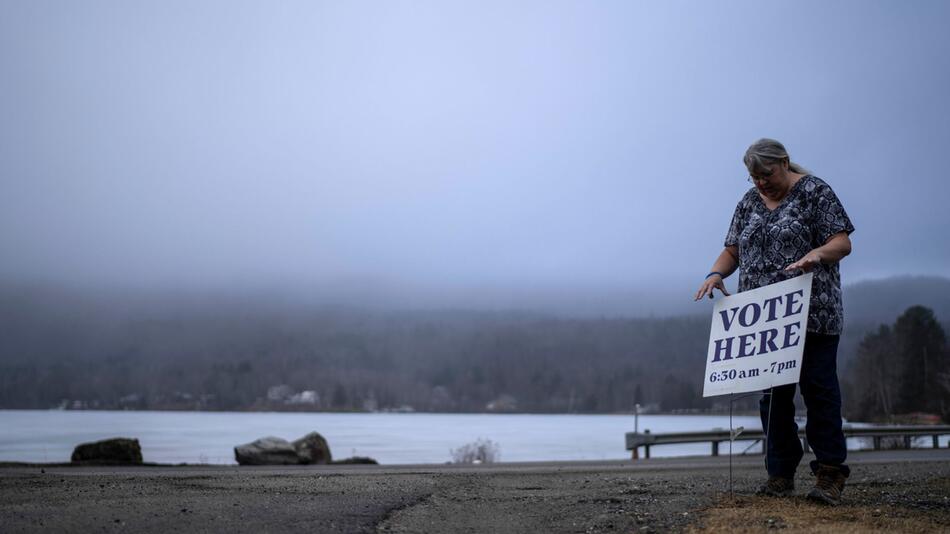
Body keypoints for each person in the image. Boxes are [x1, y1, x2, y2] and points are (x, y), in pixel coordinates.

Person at [694, 138, 855, 506]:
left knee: (819, 391)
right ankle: (780, 474)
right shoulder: (748, 202)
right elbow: (733, 248)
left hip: (813, 313)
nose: (761, 183)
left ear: (784, 162)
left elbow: (841, 243)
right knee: (772, 399)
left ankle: (830, 473)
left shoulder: (815, 192)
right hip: (764, 322)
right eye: (754, 178)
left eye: (766, 174)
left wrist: (816, 253)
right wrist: (716, 273)